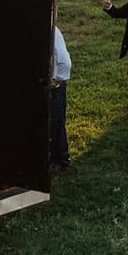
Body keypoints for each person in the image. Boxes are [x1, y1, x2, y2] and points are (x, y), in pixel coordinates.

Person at [49, 22, 71, 170]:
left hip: (54, 84)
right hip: (53, 82)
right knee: (56, 122)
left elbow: (64, 61)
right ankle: (60, 156)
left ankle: (60, 159)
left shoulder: (52, 33)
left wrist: (56, 79)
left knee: (55, 121)